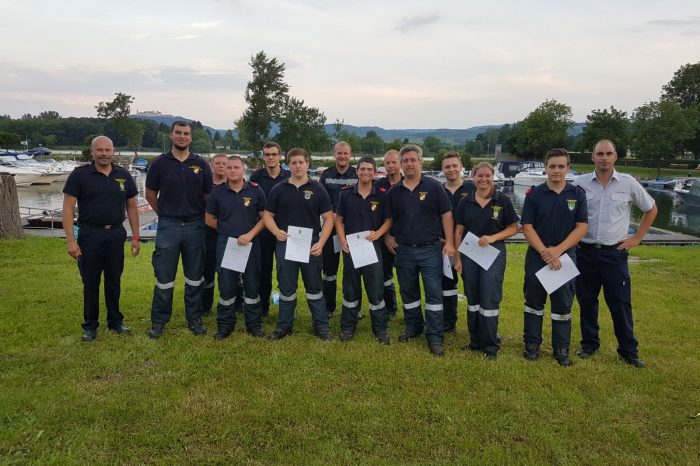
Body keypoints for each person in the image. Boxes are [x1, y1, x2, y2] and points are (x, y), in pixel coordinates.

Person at [573, 139, 657, 368]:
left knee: (620, 303)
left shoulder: (628, 184)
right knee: (587, 301)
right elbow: (569, 211)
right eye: (599, 153)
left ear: (615, 156)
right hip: (585, 252)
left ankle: (628, 351)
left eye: (608, 153)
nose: (604, 158)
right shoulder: (579, 184)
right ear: (592, 157)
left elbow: (651, 209)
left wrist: (637, 238)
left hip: (614, 254)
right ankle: (589, 344)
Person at [62, 136, 140, 341]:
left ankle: (115, 321)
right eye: (100, 150)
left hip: (116, 234)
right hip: (89, 234)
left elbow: (132, 207)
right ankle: (90, 325)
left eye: (107, 150)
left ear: (113, 152)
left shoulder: (123, 175)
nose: (104, 154)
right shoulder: (80, 175)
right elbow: (68, 208)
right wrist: (71, 240)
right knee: (91, 281)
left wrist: (135, 237)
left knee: (114, 280)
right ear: (92, 152)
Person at [384, 144, 455, 356]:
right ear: (401, 165)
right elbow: (388, 219)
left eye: (412, 160)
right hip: (404, 250)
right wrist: (387, 237)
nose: (409, 164)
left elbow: (447, 215)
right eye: (405, 161)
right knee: (409, 292)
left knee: (433, 292)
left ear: (420, 162)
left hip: (430, 249)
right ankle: (413, 326)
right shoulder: (394, 192)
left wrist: (450, 242)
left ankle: (434, 336)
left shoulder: (434, 187)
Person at [145, 121, 213, 338]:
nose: (182, 136)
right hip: (169, 225)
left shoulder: (201, 164)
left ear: (191, 137)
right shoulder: (159, 164)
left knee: (194, 276)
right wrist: (164, 215)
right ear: (172, 135)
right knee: (164, 277)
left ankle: (194, 318)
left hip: (195, 225)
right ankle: (159, 321)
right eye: (178, 133)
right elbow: (150, 195)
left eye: (186, 134)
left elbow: (207, 196)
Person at [520, 148, 588, 366]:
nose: (556, 171)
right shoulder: (534, 194)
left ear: (568, 168)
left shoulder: (577, 194)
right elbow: (527, 227)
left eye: (561, 166)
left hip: (564, 258)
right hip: (537, 256)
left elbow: (581, 227)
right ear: (545, 168)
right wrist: (545, 253)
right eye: (552, 166)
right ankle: (532, 344)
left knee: (562, 305)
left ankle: (561, 348)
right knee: (533, 303)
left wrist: (557, 251)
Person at [263, 148, 335, 340]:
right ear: (288, 165)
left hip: (310, 245)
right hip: (286, 244)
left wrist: (321, 242)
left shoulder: (318, 189)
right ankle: (284, 326)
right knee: (286, 288)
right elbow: (268, 216)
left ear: (307, 163)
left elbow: (328, 219)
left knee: (314, 288)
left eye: (300, 162)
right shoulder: (278, 189)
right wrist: (275, 230)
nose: (297, 166)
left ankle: (321, 326)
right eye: (293, 163)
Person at [453, 162, 518, 359]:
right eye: (479, 176)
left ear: (493, 177)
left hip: (493, 252)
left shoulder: (503, 200)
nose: (483, 180)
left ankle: (490, 345)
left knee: (489, 298)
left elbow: (514, 227)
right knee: (472, 298)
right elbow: (458, 231)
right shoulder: (466, 201)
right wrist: (458, 259)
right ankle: (475, 340)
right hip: (470, 253)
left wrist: (493, 237)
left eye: (487, 176)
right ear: (473, 178)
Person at [205, 156, 267, 339]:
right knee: (226, 286)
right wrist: (226, 231)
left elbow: (265, 218)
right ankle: (225, 325)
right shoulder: (217, 193)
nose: (232, 170)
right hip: (227, 244)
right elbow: (209, 219)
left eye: (236, 167)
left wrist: (250, 235)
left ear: (243, 170)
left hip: (250, 243)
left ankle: (254, 325)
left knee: (252, 285)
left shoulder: (256, 191)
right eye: (229, 167)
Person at [335, 156, 392, 344]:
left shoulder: (382, 194)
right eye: (362, 169)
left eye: (369, 169)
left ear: (375, 172)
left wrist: (379, 233)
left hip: (372, 248)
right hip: (351, 248)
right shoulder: (345, 193)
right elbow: (338, 220)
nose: (366, 172)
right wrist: (343, 241)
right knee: (350, 288)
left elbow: (389, 220)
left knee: (375, 289)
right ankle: (348, 326)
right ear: (357, 171)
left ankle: (380, 328)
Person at [249, 142, 290, 316]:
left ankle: (287, 308)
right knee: (263, 271)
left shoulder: (289, 176)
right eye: (267, 154)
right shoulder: (256, 177)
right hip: (263, 231)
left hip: (285, 232)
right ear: (263, 156)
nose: (271, 157)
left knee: (285, 272)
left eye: (274, 154)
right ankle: (263, 306)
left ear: (280, 156)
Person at [319, 141, 358, 318]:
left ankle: (354, 308)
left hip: (352, 230)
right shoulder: (325, 176)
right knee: (329, 271)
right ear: (334, 154)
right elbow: (320, 201)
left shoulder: (358, 174)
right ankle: (328, 307)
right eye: (339, 153)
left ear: (350, 155)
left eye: (346, 153)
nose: (342, 156)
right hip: (330, 231)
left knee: (354, 270)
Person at [440, 151, 476, 332]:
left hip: (469, 246)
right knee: (447, 284)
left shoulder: (473, 189)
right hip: (445, 245)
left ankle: (478, 324)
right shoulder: (438, 190)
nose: (451, 169)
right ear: (442, 169)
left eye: (455, 166)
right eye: (447, 166)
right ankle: (449, 321)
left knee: (472, 284)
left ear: (461, 167)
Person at [375, 149, 402, 317]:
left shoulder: (408, 183)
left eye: (394, 162)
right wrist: (386, 236)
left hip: (405, 238)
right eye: (387, 163)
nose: (391, 166)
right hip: (385, 238)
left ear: (400, 163)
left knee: (408, 276)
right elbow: (376, 215)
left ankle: (411, 310)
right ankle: (390, 307)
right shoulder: (377, 186)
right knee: (385, 275)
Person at [201, 153, 229, 316]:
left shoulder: (234, 185)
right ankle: (205, 305)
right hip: (209, 233)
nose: (221, 166)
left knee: (232, 269)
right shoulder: (205, 186)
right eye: (217, 163)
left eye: (224, 163)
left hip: (230, 234)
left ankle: (236, 302)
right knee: (208, 269)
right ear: (212, 166)